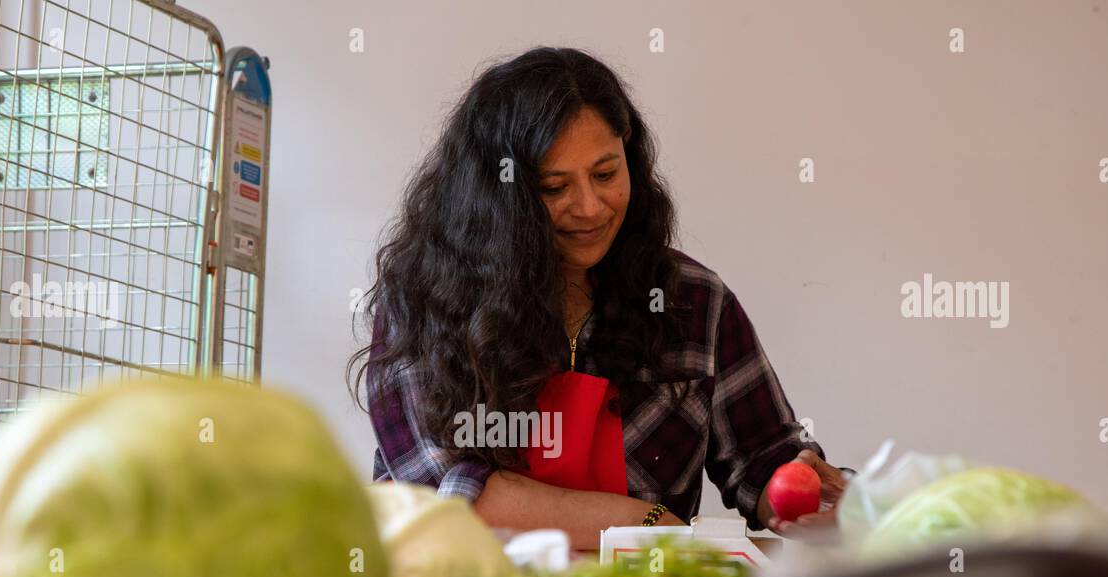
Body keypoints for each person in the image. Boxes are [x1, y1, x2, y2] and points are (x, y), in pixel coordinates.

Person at [352, 47, 848, 550]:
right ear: (497, 196)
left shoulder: (694, 302)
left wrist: (801, 492)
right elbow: (450, 496)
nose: (589, 208)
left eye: (606, 174)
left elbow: (762, 459)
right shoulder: (424, 301)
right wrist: (648, 521)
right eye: (553, 187)